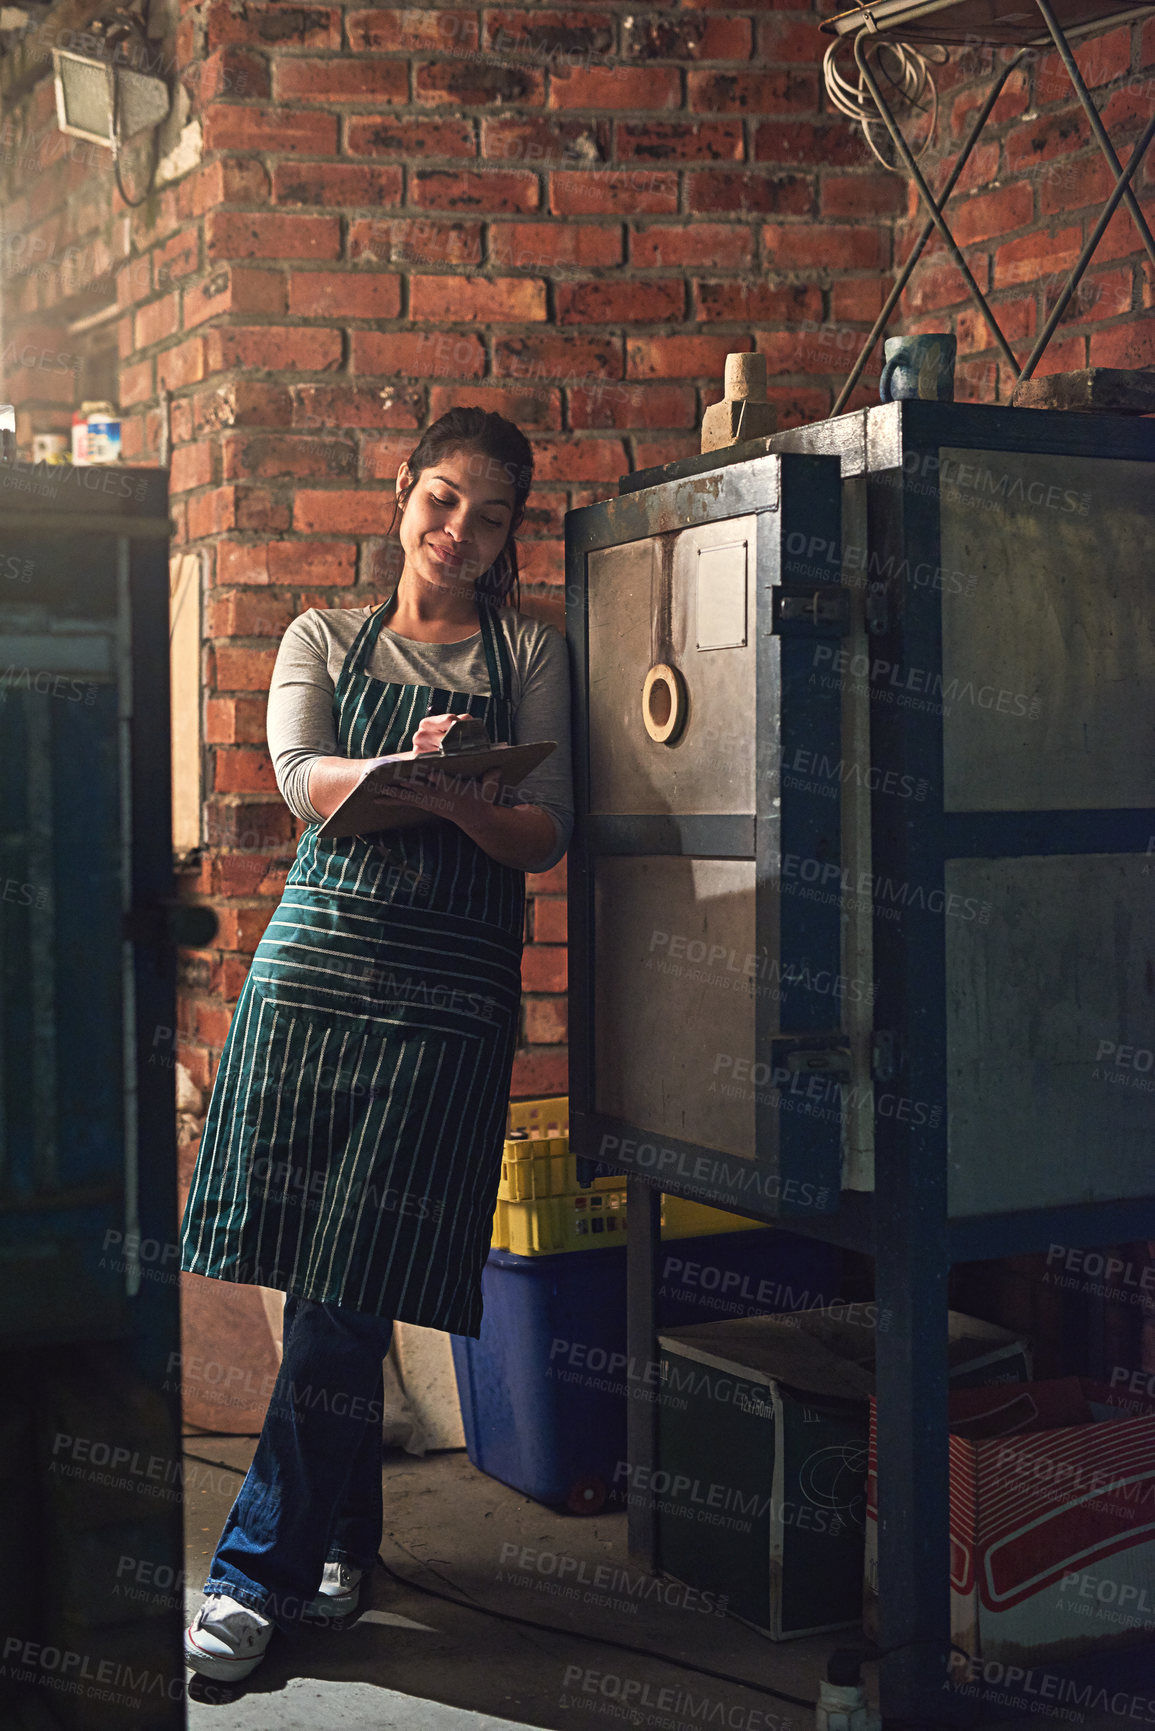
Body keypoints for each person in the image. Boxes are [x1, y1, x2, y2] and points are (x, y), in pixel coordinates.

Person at [179, 407, 573, 1682]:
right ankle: (345, 1544)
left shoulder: (531, 653)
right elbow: (302, 780)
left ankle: (251, 1578)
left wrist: (461, 799)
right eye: (442, 500)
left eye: (491, 515)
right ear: (403, 491)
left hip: (447, 1007)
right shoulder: (323, 637)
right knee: (312, 1276)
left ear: (513, 534)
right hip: (314, 984)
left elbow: (548, 833)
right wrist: (411, 772)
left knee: (350, 1279)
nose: (458, 533)